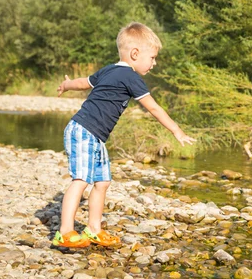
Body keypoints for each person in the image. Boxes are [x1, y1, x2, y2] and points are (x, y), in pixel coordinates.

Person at [52, 22, 195, 248]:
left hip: (95, 136)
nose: (154, 63)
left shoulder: (108, 69)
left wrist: (66, 84)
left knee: (102, 182)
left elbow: (83, 83)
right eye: (153, 58)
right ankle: (65, 231)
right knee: (80, 180)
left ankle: (93, 229)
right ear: (135, 54)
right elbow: (154, 108)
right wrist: (176, 130)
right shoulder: (130, 77)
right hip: (83, 130)